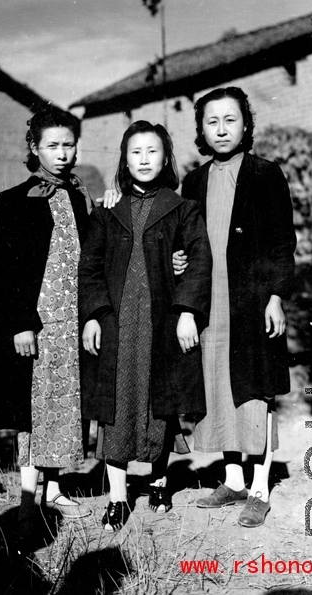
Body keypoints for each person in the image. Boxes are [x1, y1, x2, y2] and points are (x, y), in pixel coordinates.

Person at [78, 120, 212, 532]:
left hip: (162, 322)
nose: (144, 159)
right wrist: (96, 315)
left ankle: (157, 482)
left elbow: (199, 259)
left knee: (159, 404)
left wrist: (188, 310)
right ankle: (118, 498)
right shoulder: (107, 211)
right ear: (124, 159)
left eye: (152, 151)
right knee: (116, 408)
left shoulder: (182, 207)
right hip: (118, 324)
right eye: (135, 152)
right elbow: (90, 269)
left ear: (165, 157)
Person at [180, 87, 296, 527]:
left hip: (251, 303)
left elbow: (283, 242)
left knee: (252, 391)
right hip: (211, 305)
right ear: (201, 131)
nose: (222, 129)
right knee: (218, 390)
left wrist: (275, 296)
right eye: (213, 122)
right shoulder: (192, 182)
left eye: (231, 120)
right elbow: (184, 243)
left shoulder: (266, 174)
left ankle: (260, 488)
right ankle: (232, 479)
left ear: (245, 125)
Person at [0, 106, 91, 552]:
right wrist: (21, 324)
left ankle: (56, 489)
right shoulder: (14, 200)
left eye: (68, 145)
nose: (62, 154)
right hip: (38, 322)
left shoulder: (79, 196)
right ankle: (29, 500)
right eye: (53, 146)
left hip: (72, 321)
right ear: (34, 148)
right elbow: (3, 271)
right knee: (33, 408)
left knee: (63, 407)